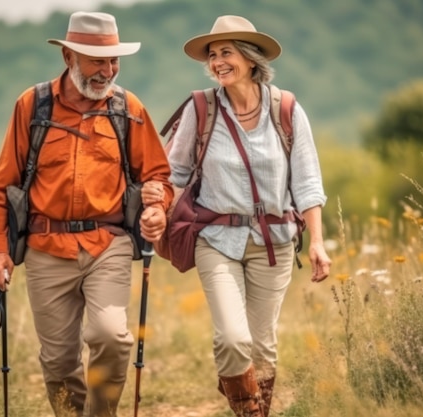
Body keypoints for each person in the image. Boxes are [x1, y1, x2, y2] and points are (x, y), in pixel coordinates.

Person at [0, 11, 172, 417]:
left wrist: (157, 206)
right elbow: (1, 186)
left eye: (113, 61)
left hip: (109, 243)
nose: (108, 71)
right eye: (97, 60)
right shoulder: (33, 106)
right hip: (46, 248)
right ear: (69, 56)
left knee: (112, 335)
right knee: (58, 362)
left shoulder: (128, 108)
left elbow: (157, 174)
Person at [159, 15, 332, 416]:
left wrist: (319, 243)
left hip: (275, 243)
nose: (217, 61)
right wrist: (156, 212)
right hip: (215, 240)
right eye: (213, 55)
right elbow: (174, 174)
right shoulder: (201, 109)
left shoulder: (286, 109)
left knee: (262, 343)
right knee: (234, 339)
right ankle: (246, 404)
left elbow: (307, 183)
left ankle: (248, 406)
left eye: (227, 53)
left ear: (252, 59)